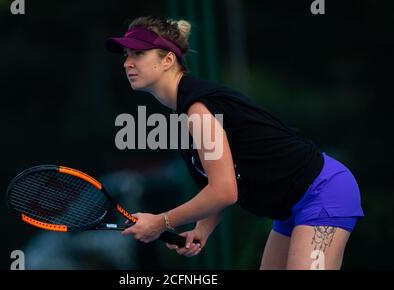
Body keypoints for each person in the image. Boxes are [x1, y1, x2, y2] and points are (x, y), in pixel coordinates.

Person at [105, 16, 364, 270]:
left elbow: (224, 190)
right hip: (288, 208)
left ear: (168, 60)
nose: (127, 63)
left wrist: (161, 222)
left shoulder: (198, 110)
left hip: (322, 192)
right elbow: (221, 182)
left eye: (138, 55)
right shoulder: (184, 115)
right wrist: (203, 228)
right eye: (126, 55)